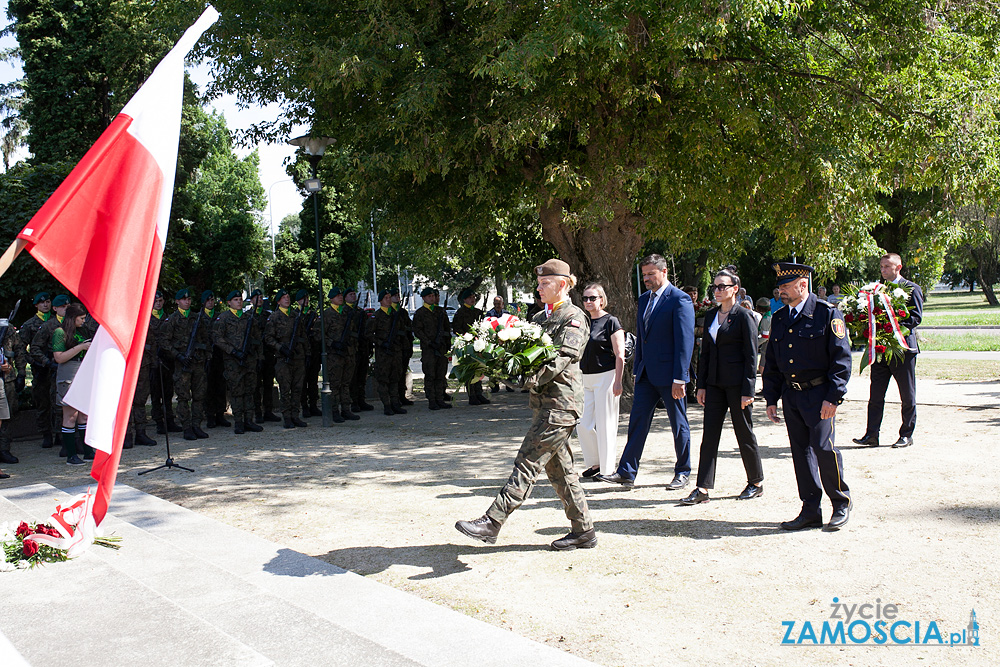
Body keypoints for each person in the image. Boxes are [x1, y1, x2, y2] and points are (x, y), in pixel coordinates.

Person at [455, 259, 596, 550]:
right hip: (545, 404)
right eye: (539, 283)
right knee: (561, 472)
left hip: (561, 404)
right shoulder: (541, 319)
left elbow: (561, 360)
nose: (539, 287)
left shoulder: (573, 317)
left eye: (546, 283)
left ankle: (492, 522)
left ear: (564, 284)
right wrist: (494, 368)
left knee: (528, 461)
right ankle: (583, 531)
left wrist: (526, 379)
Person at [762, 262, 852, 531]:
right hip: (793, 395)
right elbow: (774, 362)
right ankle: (810, 509)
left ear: (803, 285)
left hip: (819, 394)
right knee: (801, 453)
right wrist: (771, 398)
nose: (782, 292)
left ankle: (840, 503)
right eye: (780, 288)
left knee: (824, 449)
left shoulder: (826, 314)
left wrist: (833, 397)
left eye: (786, 287)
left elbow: (841, 360)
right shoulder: (780, 318)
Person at [598, 254, 694, 491]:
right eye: (644, 275)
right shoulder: (643, 299)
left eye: (651, 274)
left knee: (678, 424)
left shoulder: (680, 300)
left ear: (664, 272)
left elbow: (685, 342)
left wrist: (680, 378)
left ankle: (683, 472)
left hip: (671, 375)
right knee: (637, 423)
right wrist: (637, 367)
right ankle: (626, 472)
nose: (647, 279)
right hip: (645, 375)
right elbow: (642, 337)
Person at [682, 269, 764, 505]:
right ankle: (703, 488)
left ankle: (755, 482)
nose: (717, 291)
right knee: (709, 435)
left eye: (722, 286)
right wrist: (702, 385)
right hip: (715, 385)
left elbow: (751, 355)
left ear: (734, 289)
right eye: (715, 287)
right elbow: (705, 352)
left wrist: (749, 390)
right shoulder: (710, 316)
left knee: (744, 433)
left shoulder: (744, 316)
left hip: (738, 386)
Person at [852, 253, 924, 449]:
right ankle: (871, 434)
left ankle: (906, 434)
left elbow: (916, 317)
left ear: (898, 267)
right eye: (882, 266)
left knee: (907, 395)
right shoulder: (876, 290)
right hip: (881, 350)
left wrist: (892, 328)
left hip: (902, 349)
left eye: (887, 266)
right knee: (876, 394)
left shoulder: (911, 288)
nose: (883, 270)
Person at [577, 283, 625, 479]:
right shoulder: (583, 322)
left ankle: (607, 470)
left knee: (606, 424)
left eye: (593, 298)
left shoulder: (611, 321)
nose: (588, 302)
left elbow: (620, 354)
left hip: (607, 376)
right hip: (584, 377)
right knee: (582, 423)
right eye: (585, 298)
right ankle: (595, 463)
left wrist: (618, 381)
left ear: (602, 299)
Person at [161, 288, 212, 441]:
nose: (187, 302)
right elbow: (164, 342)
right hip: (182, 363)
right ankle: (187, 427)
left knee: (199, 395)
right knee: (183, 397)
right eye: (184, 299)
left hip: (198, 362)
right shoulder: (172, 320)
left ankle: (197, 425)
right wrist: (178, 355)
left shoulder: (197, 318)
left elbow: (205, 339)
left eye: (189, 299)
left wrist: (207, 356)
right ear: (177, 302)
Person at [215, 290, 263, 434]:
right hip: (233, 361)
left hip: (249, 360)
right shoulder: (223, 318)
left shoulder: (249, 318)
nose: (238, 302)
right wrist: (233, 351)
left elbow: (257, 339)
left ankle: (249, 420)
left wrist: (257, 355)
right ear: (229, 302)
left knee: (249, 391)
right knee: (237, 392)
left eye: (239, 299)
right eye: (235, 300)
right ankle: (239, 422)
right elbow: (218, 339)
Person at [52, 304, 92, 465]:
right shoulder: (60, 332)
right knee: (70, 415)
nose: (84, 321)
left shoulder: (82, 331)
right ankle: (71, 455)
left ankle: (88, 452)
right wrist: (81, 347)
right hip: (68, 374)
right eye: (81, 318)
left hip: (83, 372)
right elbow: (59, 357)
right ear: (72, 317)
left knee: (84, 415)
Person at [265, 289, 310, 429]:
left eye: (288, 296)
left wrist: (307, 353)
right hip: (283, 358)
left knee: (297, 388)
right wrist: (280, 348)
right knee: (285, 389)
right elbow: (268, 338)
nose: (287, 299)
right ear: (278, 301)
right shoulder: (274, 317)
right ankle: (287, 417)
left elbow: (303, 337)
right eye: (283, 297)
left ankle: (295, 415)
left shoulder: (296, 316)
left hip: (298, 356)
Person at [320, 286, 358, 422]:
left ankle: (346, 409)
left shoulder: (346, 313)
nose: (340, 298)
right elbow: (319, 334)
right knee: (335, 384)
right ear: (331, 299)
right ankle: (335, 411)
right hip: (334, 355)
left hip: (347, 353)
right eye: (337, 296)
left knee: (346, 383)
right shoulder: (326, 314)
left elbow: (353, 331)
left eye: (341, 295)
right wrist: (332, 343)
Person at [21, 292, 54, 449]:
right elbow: (21, 348)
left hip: (55, 366)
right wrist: (33, 362)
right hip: (40, 369)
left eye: (48, 302)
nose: (45, 305)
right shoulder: (29, 325)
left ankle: (59, 433)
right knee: (42, 402)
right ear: (36, 305)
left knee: (57, 401)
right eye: (42, 303)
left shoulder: (56, 322)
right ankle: (46, 434)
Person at [412, 287, 453, 410]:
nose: (432, 298)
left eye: (433, 296)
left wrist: (446, 344)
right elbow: (417, 330)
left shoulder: (440, 311)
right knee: (430, 374)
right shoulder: (420, 313)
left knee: (441, 374)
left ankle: (440, 398)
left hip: (441, 348)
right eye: (429, 296)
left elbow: (446, 329)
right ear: (424, 298)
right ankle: (432, 400)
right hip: (429, 349)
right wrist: (429, 342)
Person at [149, 290, 182, 434]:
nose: (158, 303)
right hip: (151, 361)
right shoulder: (145, 318)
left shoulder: (168, 318)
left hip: (167, 361)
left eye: (160, 301)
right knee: (156, 394)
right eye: (156, 301)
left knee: (168, 393)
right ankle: (158, 422)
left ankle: (170, 420)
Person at [370, 289, 407, 416]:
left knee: (395, 378)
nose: (389, 299)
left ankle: (395, 403)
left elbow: (403, 331)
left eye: (389, 297)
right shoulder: (377, 315)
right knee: (384, 379)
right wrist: (381, 343)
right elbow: (368, 334)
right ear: (381, 300)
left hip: (395, 351)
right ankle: (387, 405)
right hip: (383, 353)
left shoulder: (395, 314)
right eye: (386, 297)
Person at [451, 287, 490, 405]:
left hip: (478, 344)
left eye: (473, 297)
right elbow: (457, 329)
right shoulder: (460, 313)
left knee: (478, 369)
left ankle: (479, 393)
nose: (472, 300)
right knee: (469, 370)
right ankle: (472, 395)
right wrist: (465, 338)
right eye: (469, 298)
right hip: (467, 344)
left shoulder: (478, 312)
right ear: (464, 300)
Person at [249, 290, 280, 422]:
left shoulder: (268, 315)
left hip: (267, 354)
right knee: (255, 385)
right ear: (251, 300)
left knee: (268, 383)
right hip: (254, 355)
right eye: (256, 297)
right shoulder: (247, 316)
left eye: (261, 297)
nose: (259, 300)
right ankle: (257, 412)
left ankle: (268, 410)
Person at [202, 291, 230, 429]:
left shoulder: (220, 317)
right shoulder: (199, 318)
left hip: (219, 355)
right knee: (208, 387)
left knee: (220, 386)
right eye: (208, 300)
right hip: (206, 357)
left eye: (212, 300)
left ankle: (220, 414)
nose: (211, 303)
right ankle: (210, 415)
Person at [0, 321, 25, 465]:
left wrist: (21, 373)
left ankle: (4, 449)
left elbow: (19, 350)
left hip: (6, 378)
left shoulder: (6, 327)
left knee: (7, 415)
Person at [348, 288, 375, 412]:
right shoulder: (345, 312)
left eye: (354, 294)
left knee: (362, 375)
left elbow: (366, 330)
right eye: (350, 294)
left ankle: (361, 399)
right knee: (353, 376)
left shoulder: (360, 312)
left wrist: (369, 346)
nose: (353, 296)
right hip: (352, 348)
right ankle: (353, 401)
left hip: (362, 347)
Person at [486, 295, 515, 393]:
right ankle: (494, 386)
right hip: (494, 342)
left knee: (507, 363)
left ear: (503, 304)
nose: (497, 305)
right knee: (494, 364)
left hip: (505, 342)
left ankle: (509, 385)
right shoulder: (489, 314)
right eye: (496, 303)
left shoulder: (506, 314)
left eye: (499, 303)